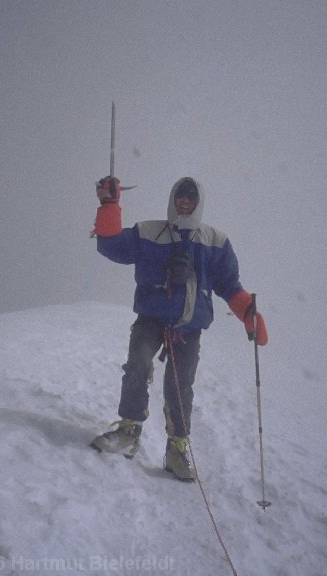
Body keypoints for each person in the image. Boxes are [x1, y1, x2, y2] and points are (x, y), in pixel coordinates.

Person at [90, 175, 268, 481]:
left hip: (188, 327)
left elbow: (228, 284)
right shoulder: (149, 232)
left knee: (180, 387)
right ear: (172, 199)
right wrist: (110, 205)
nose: (184, 202)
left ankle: (176, 450)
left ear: (198, 203)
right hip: (151, 319)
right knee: (137, 364)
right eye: (179, 197)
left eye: (190, 199)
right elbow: (111, 246)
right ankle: (128, 432)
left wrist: (246, 312)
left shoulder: (215, 241)